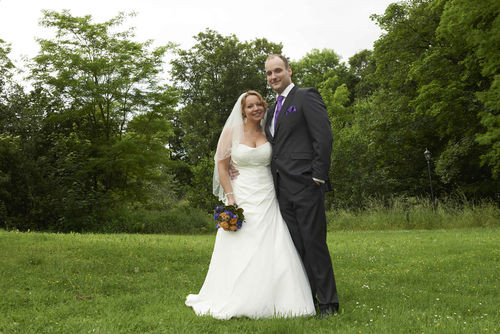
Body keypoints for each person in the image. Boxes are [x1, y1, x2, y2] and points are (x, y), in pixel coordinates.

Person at [185, 91, 316, 319]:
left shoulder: (269, 131)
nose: (255, 109)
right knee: (241, 242)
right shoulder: (232, 132)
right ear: (243, 110)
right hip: (241, 193)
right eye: (250, 106)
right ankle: (236, 294)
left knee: (273, 241)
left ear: (264, 106)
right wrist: (230, 197)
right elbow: (222, 165)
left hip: (267, 193)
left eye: (258, 105)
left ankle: (279, 297)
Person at [263, 54, 339, 317]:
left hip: (307, 183)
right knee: (296, 247)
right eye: (269, 74)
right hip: (281, 188)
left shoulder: (306, 96)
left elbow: (324, 136)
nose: (273, 77)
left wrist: (318, 175)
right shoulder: (272, 110)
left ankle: (329, 303)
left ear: (289, 71)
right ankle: (309, 300)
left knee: (314, 242)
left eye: (277, 71)